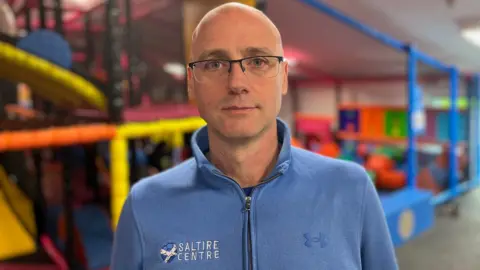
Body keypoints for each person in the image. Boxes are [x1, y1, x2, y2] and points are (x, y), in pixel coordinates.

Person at [110, 3, 398, 269]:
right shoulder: (145, 206)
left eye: (258, 61)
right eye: (214, 64)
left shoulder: (350, 190)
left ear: (284, 77)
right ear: (191, 83)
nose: (237, 83)